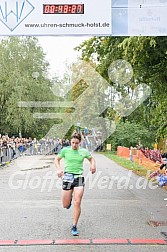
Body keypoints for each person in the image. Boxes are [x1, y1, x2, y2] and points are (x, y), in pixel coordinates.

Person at [54, 132, 96, 236]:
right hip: (68, 177)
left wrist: (93, 165)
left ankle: (74, 225)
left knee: (78, 202)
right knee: (65, 205)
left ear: (80, 142)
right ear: (70, 142)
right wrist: (59, 169)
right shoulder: (65, 150)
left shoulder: (83, 151)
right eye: (72, 143)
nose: (74, 145)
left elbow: (91, 159)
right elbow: (56, 159)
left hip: (79, 177)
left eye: (76, 143)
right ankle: (69, 201)